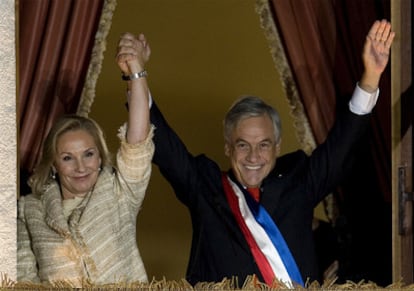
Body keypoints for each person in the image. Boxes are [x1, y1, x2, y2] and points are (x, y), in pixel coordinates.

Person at [123, 20, 394, 287]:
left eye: (264, 145)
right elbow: (164, 144)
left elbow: (342, 145)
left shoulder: (300, 183)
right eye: (243, 145)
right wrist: (136, 74)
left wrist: (371, 75)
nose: (254, 156)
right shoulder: (204, 187)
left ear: (277, 147)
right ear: (228, 147)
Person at [17, 33, 153, 286]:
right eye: (68, 158)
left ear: (100, 156)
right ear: (54, 164)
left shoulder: (119, 192)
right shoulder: (28, 210)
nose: (80, 167)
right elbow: (23, 281)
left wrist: (135, 70)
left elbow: (138, 142)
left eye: (88, 154)